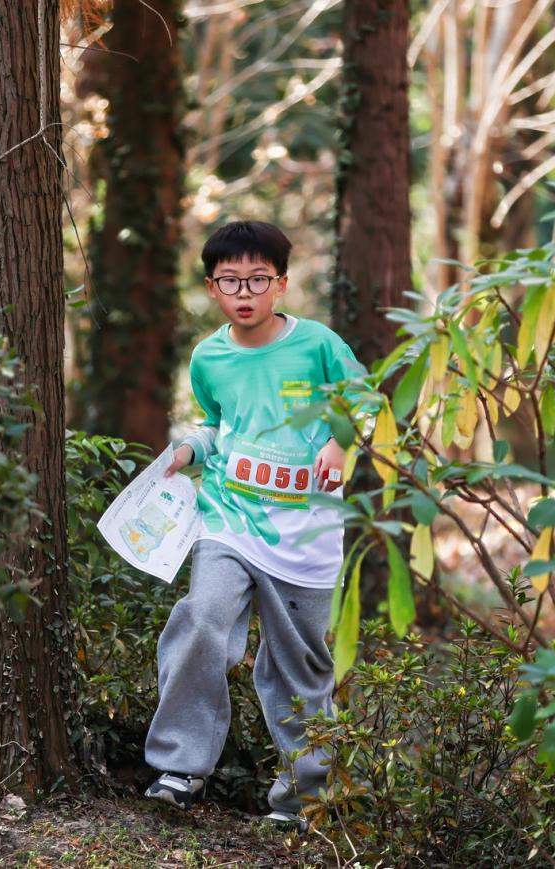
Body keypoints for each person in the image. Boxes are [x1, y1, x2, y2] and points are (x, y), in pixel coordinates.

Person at [142, 220, 375, 831]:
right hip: (230, 520)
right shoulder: (209, 357)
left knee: (299, 666)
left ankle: (305, 797)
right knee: (202, 618)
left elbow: (365, 401)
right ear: (213, 288)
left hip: (306, 535)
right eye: (229, 281)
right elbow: (217, 422)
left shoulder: (318, 344)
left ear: (282, 284)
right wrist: (191, 448)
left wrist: (340, 443)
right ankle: (180, 768)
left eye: (257, 280)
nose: (244, 292)